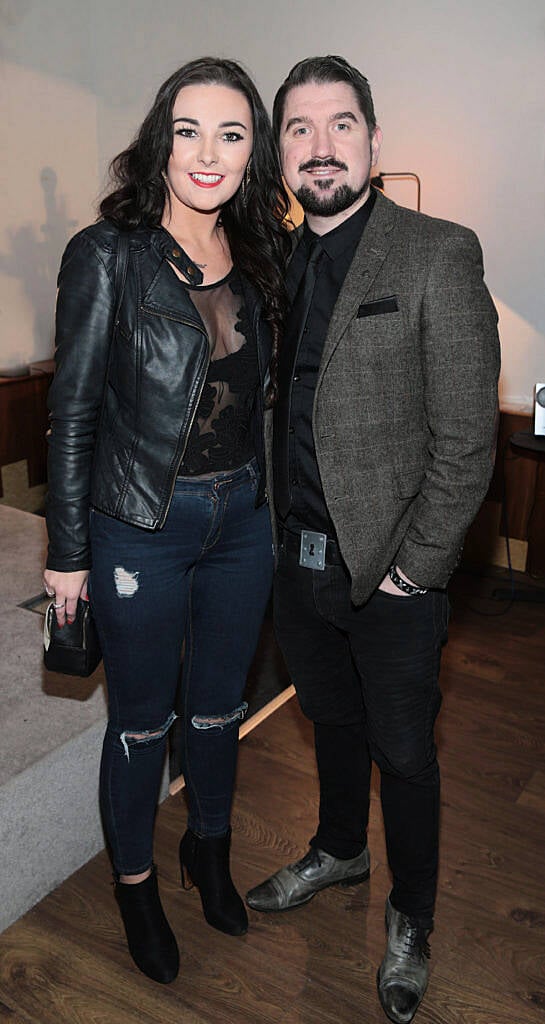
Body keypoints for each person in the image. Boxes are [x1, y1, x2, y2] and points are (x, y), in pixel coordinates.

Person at [245, 55, 500, 1024]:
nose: (319, 146)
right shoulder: (274, 259)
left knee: (404, 749)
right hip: (295, 561)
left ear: (373, 141)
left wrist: (411, 570)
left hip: (390, 575)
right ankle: (339, 848)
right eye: (299, 130)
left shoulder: (437, 251)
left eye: (338, 124)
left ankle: (412, 916)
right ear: (282, 155)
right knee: (328, 718)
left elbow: (465, 439)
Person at [43, 56, 289, 985]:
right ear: (161, 138)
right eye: (188, 130)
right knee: (142, 724)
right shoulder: (107, 254)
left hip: (242, 526)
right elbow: (72, 413)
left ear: (250, 150)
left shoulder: (262, 249)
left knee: (219, 709)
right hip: (142, 525)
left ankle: (209, 853)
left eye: (231, 133)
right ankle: (137, 884)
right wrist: (66, 556)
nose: (207, 152)